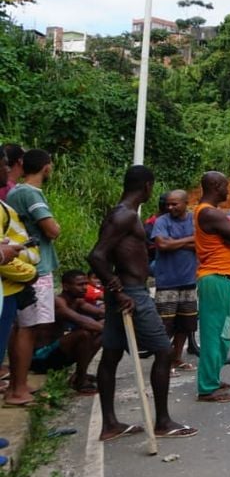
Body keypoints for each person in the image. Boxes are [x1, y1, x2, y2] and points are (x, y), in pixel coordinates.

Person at [88, 165, 196, 439]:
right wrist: (118, 289)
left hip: (124, 292)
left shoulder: (124, 214)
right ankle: (162, 422)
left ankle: (110, 425)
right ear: (147, 186)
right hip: (131, 294)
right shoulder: (123, 216)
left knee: (111, 354)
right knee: (162, 350)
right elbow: (97, 255)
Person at [4, 149, 61, 407]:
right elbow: (52, 229)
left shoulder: (15, 193)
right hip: (34, 266)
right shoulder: (31, 193)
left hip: (18, 265)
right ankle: (18, 388)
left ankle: (20, 383)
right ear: (46, 168)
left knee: (21, 326)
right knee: (28, 328)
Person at [194, 171, 230, 403]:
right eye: (226, 186)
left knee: (224, 334)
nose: (229, 190)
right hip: (216, 279)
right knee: (213, 335)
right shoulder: (209, 212)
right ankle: (207, 388)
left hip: (225, 280)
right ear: (216, 186)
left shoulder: (210, 213)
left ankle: (213, 379)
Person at [151, 190, 199, 371]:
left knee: (186, 324)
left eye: (174, 204)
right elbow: (162, 244)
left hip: (188, 279)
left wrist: (175, 242)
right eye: (168, 204)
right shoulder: (162, 221)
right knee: (165, 325)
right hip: (167, 281)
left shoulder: (194, 220)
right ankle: (163, 360)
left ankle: (177, 358)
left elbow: (201, 244)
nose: (170, 207)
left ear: (186, 202)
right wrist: (189, 241)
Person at [34, 271, 103, 394]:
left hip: (59, 353)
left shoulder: (77, 301)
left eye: (85, 284)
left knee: (101, 330)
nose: (84, 288)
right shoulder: (58, 302)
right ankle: (80, 381)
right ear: (65, 286)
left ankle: (80, 374)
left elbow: (100, 313)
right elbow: (82, 322)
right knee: (84, 334)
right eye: (80, 284)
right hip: (42, 357)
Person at [0, 181, 39, 395]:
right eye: (3, 164)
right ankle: (18, 390)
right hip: (8, 287)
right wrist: (29, 273)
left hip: (9, 289)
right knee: (23, 329)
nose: (6, 172)